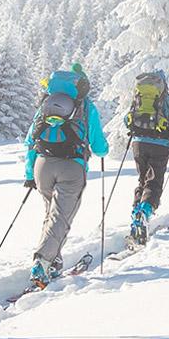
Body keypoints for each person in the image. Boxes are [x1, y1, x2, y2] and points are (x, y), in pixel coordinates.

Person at [25, 62, 107, 288]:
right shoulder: (86, 107)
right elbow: (100, 147)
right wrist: (101, 149)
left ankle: (54, 260)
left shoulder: (48, 102)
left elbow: (30, 140)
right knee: (60, 218)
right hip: (71, 167)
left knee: (51, 215)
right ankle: (42, 262)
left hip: (42, 166)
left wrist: (29, 173)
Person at [125, 70, 169, 245]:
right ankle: (145, 213)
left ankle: (136, 215)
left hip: (138, 144)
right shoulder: (168, 100)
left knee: (142, 180)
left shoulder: (138, 97)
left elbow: (127, 120)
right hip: (159, 144)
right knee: (154, 182)